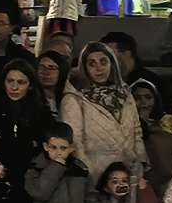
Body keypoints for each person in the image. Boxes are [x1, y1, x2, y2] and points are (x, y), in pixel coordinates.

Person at [62, 42, 148, 182]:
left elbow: (136, 132)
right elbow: (75, 142)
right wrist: (89, 173)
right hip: (96, 176)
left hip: (128, 172)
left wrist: (140, 163)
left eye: (103, 62)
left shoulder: (124, 94)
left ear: (112, 64)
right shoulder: (74, 99)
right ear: (84, 68)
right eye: (92, 64)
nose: (99, 68)